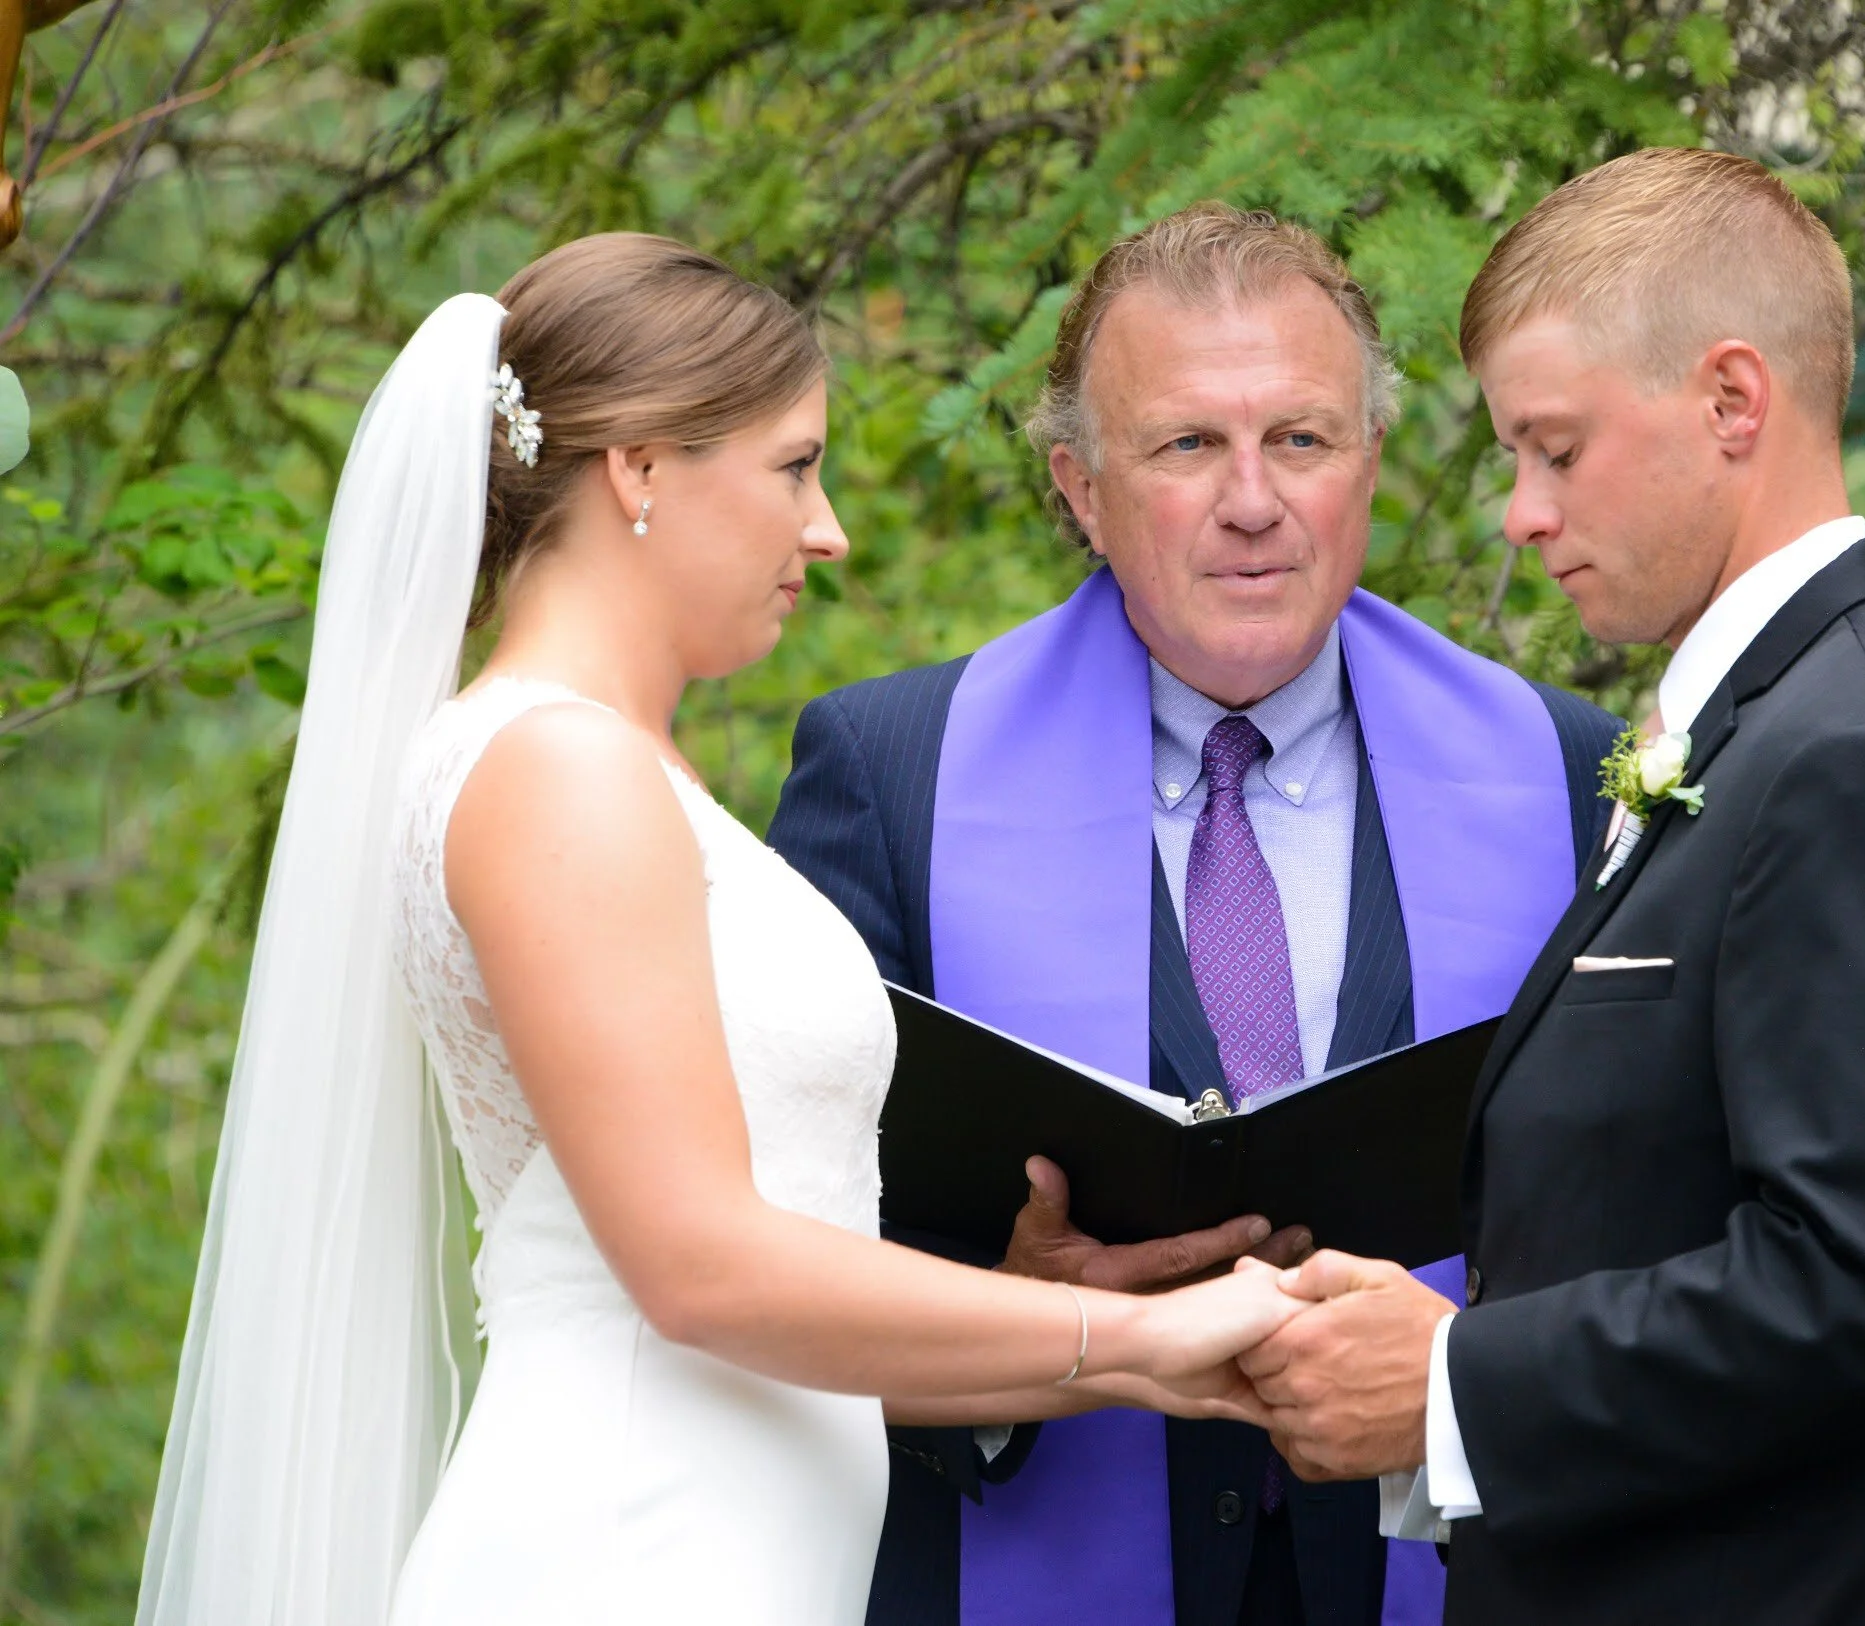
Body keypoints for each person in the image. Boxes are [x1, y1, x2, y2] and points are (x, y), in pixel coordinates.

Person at [134, 233, 1310, 1626]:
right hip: (626, 1554)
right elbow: (696, 1270)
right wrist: (1135, 1336)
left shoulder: (623, 771)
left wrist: (1057, 1319)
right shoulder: (557, 771)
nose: (828, 530)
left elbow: (763, 1283)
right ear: (639, 468)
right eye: (794, 466)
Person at [1240, 148, 1865, 1624]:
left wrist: (1451, 1379)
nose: (1519, 511)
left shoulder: (1863, 754)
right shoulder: (1780, 724)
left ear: (1733, 402)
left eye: (1555, 449)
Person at [768, 203, 1619, 1626]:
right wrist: (1016, 1310)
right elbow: (776, 1254)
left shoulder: (1563, 772)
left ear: (1369, 465)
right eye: (1186, 445)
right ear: (1081, 491)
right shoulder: (892, 776)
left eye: (1300, 438)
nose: (1252, 499)